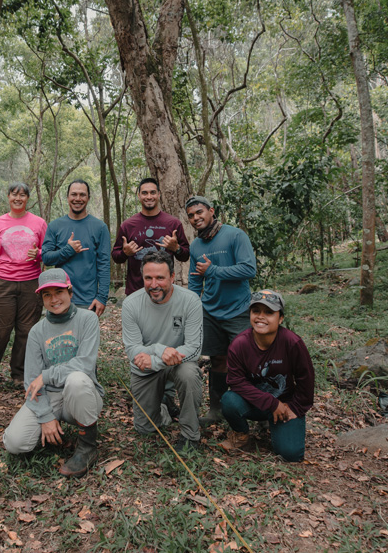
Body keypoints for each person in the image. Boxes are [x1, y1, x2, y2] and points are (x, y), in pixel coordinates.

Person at [3, 268, 104, 477]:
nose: (53, 299)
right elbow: (31, 381)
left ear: (70, 291)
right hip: (50, 397)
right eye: (47, 294)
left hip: (81, 395)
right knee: (15, 443)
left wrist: (47, 375)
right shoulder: (37, 331)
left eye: (58, 292)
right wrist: (45, 416)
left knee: (76, 380)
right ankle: (52, 431)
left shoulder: (88, 319)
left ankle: (87, 446)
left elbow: (85, 364)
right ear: (41, 298)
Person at [121, 251, 204, 454]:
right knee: (145, 428)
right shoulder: (131, 304)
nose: (154, 284)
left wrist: (158, 359)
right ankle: (165, 407)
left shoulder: (190, 301)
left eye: (160, 278)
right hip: (146, 369)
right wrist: (161, 349)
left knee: (189, 373)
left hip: (176, 364)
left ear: (173, 277)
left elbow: (194, 347)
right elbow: (133, 350)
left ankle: (190, 434)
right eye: (148, 278)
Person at [186, 195, 256, 425]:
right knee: (217, 360)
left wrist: (213, 270)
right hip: (211, 312)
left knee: (247, 361)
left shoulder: (235, 235)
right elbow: (196, 281)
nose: (196, 218)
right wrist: (193, 306)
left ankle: (257, 411)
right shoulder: (196, 245)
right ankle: (215, 410)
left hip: (239, 310)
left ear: (211, 211)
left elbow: (248, 269)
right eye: (191, 216)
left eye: (199, 212)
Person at [222, 290, 314, 462]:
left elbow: (306, 379)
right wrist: (271, 404)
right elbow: (236, 381)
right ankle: (241, 433)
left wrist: (296, 408)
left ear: (280, 318)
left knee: (291, 455)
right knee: (229, 400)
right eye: (256, 311)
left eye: (269, 312)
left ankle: (274, 424)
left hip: (286, 405)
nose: (261, 317)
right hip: (256, 402)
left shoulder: (292, 343)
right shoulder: (239, 344)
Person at [0, 182, 47, 385]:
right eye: (14, 194)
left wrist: (40, 254)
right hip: (2, 282)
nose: (18, 198)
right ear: (8, 197)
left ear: (28, 198)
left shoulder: (39, 223)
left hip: (30, 283)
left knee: (26, 330)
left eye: (22, 195)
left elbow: (48, 251)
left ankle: (19, 374)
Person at [41, 179, 111, 317]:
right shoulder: (55, 226)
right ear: (67, 197)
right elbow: (46, 258)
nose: (78, 198)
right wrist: (68, 250)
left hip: (88, 300)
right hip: (59, 299)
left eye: (82, 195)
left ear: (88, 198)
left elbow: (104, 264)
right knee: (60, 338)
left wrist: (102, 297)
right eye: (74, 194)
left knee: (87, 339)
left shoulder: (100, 227)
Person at [112, 177, 190, 296]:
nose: (149, 197)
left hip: (164, 291)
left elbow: (185, 255)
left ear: (159, 194)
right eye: (144, 193)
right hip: (136, 291)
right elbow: (116, 257)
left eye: (153, 192)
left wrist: (176, 248)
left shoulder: (173, 223)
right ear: (139, 196)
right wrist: (125, 253)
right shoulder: (128, 225)